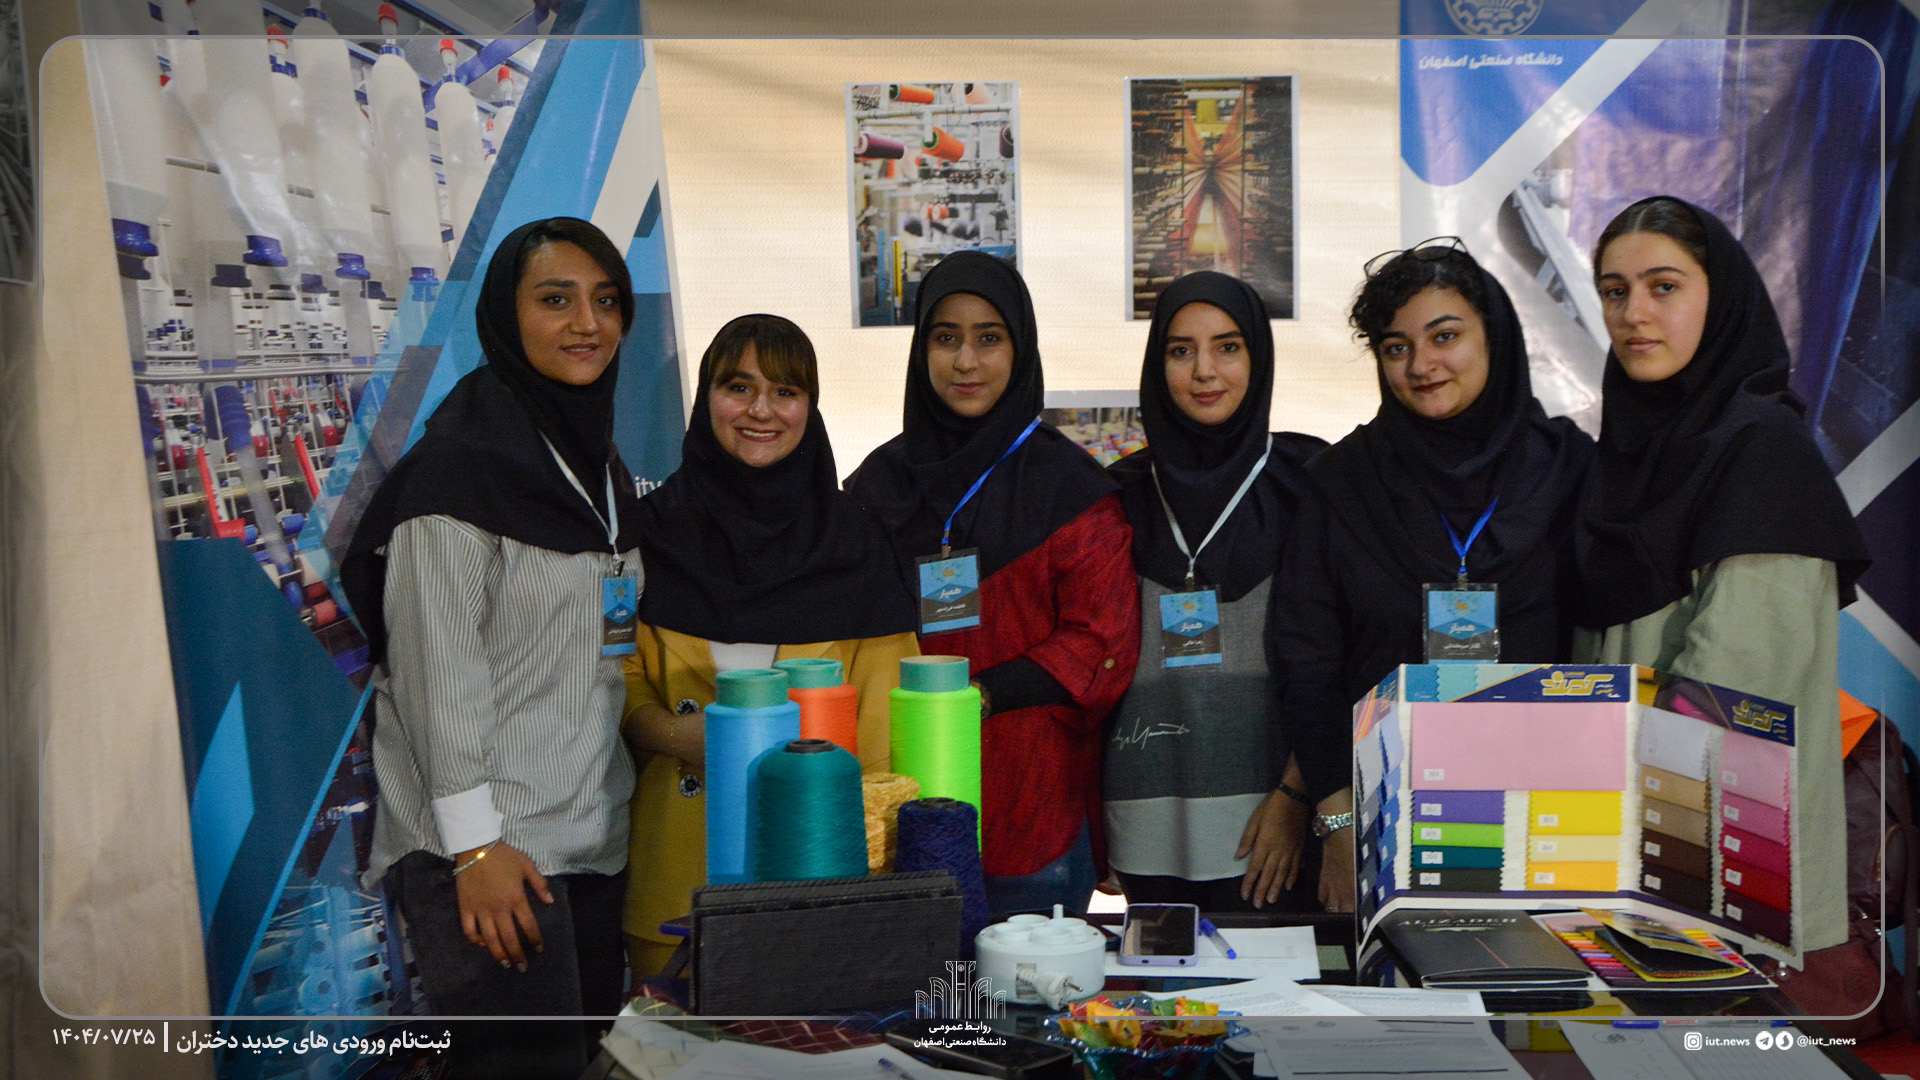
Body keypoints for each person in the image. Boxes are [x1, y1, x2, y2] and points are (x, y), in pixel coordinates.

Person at [342, 218, 641, 1040]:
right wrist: (475, 849)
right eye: (556, 300)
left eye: (606, 300)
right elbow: (436, 676)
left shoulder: (594, 464)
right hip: (490, 855)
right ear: (507, 318)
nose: (588, 324)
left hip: (590, 837)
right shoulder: (456, 472)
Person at [1572, 196, 1869, 953]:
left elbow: (1734, 686)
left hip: (1718, 868)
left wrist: (1579, 814)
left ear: (1723, 296)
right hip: (1622, 856)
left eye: (1664, 287)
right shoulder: (1631, 453)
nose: (1634, 314)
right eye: (1614, 291)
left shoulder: (1763, 451)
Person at [1270, 240, 1593, 911]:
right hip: (1381, 816)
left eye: (1445, 337)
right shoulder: (1343, 484)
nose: (1421, 365)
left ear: (1493, 336)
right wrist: (1336, 823)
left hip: (1547, 818)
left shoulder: (1570, 470)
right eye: (1396, 347)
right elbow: (1307, 664)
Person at [621, 314, 920, 976]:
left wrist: (869, 889)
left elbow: (882, 747)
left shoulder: (859, 547)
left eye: (785, 391)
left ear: (810, 407)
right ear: (706, 398)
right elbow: (619, 674)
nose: (761, 410)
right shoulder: (650, 534)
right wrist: (673, 735)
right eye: (738, 387)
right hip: (675, 879)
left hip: (823, 881)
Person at [847, 252, 1140, 915]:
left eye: (989, 338)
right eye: (945, 337)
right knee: (923, 985)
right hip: (896, 810)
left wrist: (981, 694)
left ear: (1020, 347)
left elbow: (1103, 641)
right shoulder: (876, 485)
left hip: (1033, 806)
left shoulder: (1071, 488)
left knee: (1024, 983)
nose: (965, 361)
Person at [1103, 272, 1327, 911]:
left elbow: (1338, 660)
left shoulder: (1310, 483)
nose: (1205, 370)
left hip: (1278, 833)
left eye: (1228, 347)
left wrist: (1299, 794)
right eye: (1181, 350)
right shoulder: (1116, 495)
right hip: (1143, 837)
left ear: (1258, 357)